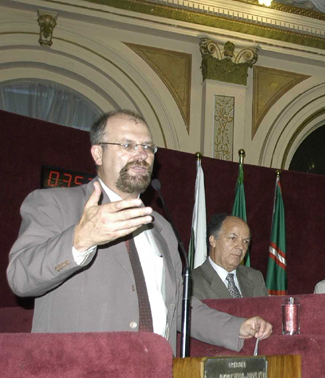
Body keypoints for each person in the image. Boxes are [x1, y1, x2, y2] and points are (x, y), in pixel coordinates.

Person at [6, 110, 272, 354]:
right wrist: (80, 239)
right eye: (127, 145)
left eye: (147, 147)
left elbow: (179, 306)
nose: (141, 154)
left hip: (154, 376)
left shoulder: (161, 228)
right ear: (97, 154)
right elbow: (20, 278)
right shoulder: (55, 204)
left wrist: (236, 327)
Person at [192, 214, 267, 300]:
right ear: (213, 241)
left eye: (246, 241)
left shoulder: (255, 277)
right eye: (233, 238)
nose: (241, 247)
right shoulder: (192, 283)